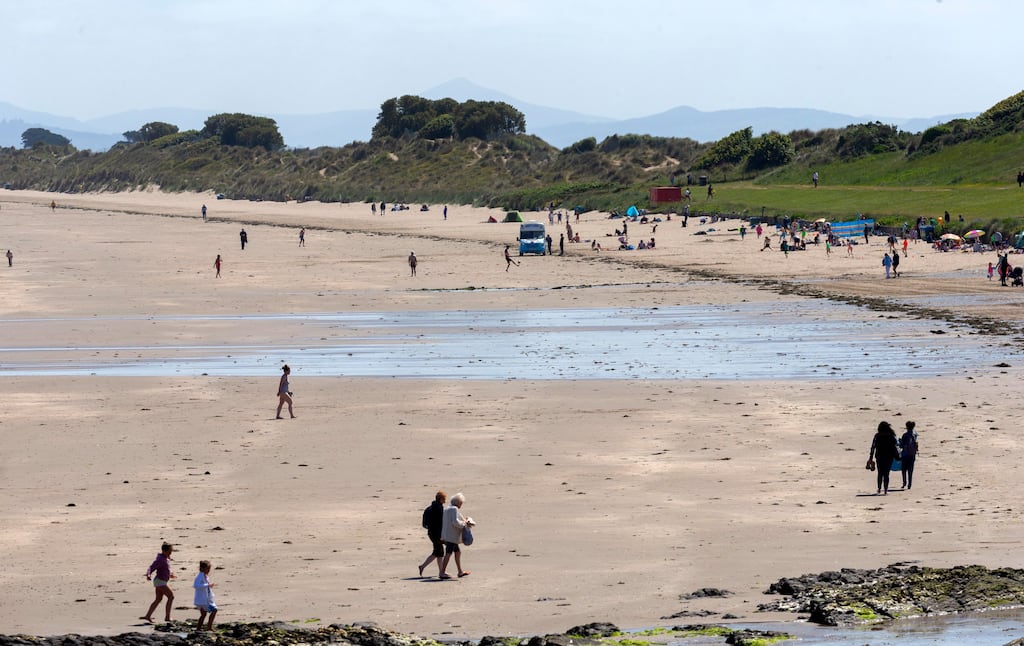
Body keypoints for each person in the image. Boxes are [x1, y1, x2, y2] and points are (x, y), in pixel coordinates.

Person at [438, 492, 474, 579]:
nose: (461, 505)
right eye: (461, 503)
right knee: (448, 553)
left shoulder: (447, 508)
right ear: (458, 502)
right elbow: (455, 522)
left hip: (447, 535)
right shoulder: (454, 509)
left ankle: (460, 571)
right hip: (452, 536)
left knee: (457, 552)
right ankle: (442, 573)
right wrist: (465, 524)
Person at [142, 542, 175, 623]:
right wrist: (148, 574)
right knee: (171, 597)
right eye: (170, 551)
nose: (171, 553)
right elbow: (151, 567)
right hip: (160, 581)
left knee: (158, 599)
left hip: (160, 581)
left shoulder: (166, 558)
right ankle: (167, 617)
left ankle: (148, 616)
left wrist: (170, 575)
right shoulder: (160, 559)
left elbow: (164, 570)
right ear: (164, 551)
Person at [418, 490, 447, 577]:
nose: (445, 501)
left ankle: (441, 572)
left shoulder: (429, 508)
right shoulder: (439, 508)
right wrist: (442, 535)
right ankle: (423, 566)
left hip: (431, 533)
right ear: (441, 499)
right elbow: (441, 522)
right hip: (437, 534)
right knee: (437, 552)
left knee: (439, 552)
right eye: (444, 499)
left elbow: (424, 524)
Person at [868, 421, 900, 495]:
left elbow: (873, 447)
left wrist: (871, 457)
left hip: (879, 456)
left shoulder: (877, 435)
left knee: (880, 473)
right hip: (889, 456)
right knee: (886, 473)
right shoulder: (891, 435)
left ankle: (879, 489)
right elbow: (896, 445)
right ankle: (885, 490)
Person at [193, 560, 217, 631]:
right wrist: (207, 585)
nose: (209, 571)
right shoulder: (199, 576)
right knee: (214, 610)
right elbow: (196, 585)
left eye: (209, 569)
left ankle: (198, 629)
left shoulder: (205, 576)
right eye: (208, 569)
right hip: (202, 600)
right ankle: (208, 627)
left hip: (205, 599)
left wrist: (208, 586)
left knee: (203, 615)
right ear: (202, 569)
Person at [900, 421, 919, 490]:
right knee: (910, 470)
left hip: (905, 454)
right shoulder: (915, 434)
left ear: (907, 427)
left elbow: (901, 445)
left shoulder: (905, 435)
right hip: (912, 454)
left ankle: (904, 482)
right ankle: (909, 484)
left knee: (904, 470)